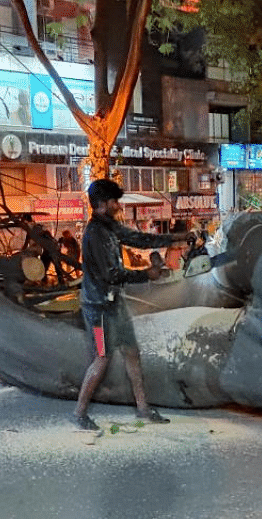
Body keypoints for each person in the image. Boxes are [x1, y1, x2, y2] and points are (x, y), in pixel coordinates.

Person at [73, 179, 196, 430]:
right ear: (101, 205)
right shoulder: (95, 234)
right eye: (113, 201)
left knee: (132, 353)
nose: (118, 206)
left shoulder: (110, 227)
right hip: (97, 310)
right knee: (101, 358)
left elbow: (138, 239)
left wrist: (176, 238)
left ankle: (143, 408)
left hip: (114, 303)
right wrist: (146, 274)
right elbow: (112, 275)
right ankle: (80, 412)